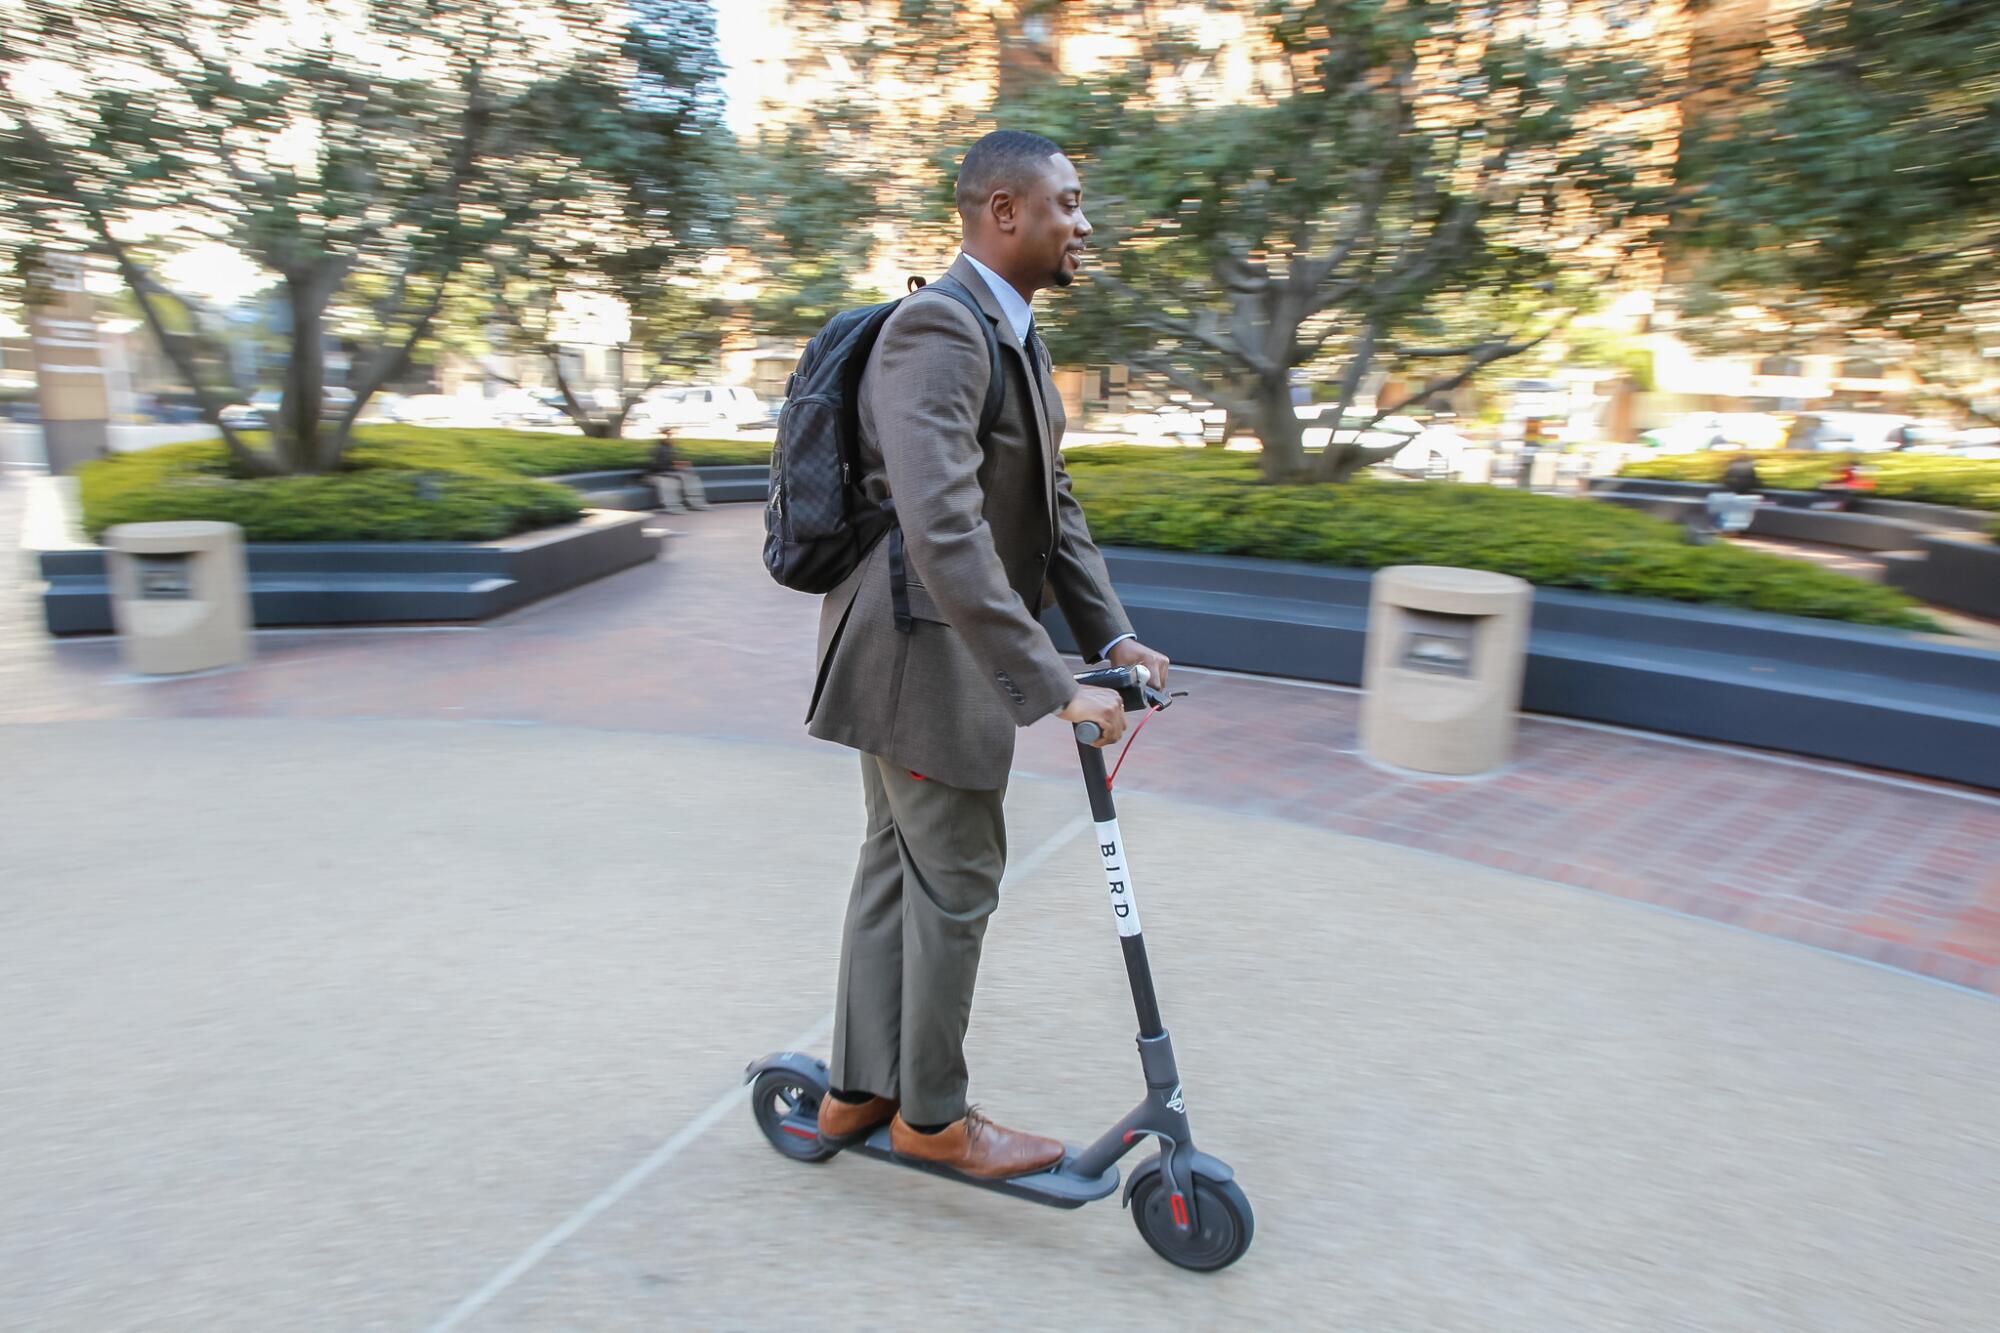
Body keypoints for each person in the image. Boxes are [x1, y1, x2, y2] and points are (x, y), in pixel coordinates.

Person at [803, 130, 1170, 1180]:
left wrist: (1107, 634)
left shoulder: (1013, 334)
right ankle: (931, 1116)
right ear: (1001, 212)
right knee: (953, 878)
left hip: (924, 646)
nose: (1081, 223)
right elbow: (944, 529)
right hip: (915, 658)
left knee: (898, 872)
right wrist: (1055, 688)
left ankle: (856, 1094)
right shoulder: (940, 329)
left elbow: (1049, 504)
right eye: (1065, 202)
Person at [643, 430, 708, 514]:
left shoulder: (672, 450)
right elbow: (655, 466)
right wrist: (673, 467)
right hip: (653, 475)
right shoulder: (656, 449)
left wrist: (678, 466)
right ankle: (674, 507)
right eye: (669, 436)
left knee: (690, 477)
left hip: (668, 472)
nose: (672, 439)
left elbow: (671, 464)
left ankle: (697, 504)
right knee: (669, 481)